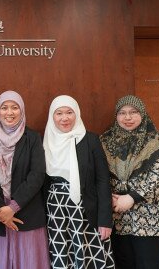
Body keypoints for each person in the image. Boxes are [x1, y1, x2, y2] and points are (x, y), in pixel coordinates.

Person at [100, 95, 159, 269]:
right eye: (122, 113)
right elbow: (99, 175)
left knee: (149, 264)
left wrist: (132, 197)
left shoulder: (158, 143)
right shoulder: (104, 141)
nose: (127, 117)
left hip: (151, 221)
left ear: (142, 114)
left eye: (133, 112)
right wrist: (106, 197)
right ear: (116, 116)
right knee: (122, 264)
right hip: (118, 218)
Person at [0, 91, 50, 268]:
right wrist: (1, 210)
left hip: (26, 212)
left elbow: (37, 174)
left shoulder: (32, 138)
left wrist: (13, 207)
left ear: (22, 110)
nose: (9, 112)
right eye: (4, 108)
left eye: (14, 107)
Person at [43, 95, 114, 269]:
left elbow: (103, 180)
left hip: (86, 209)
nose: (64, 118)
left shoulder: (90, 140)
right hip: (56, 210)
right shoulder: (45, 141)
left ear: (77, 114)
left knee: (88, 257)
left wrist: (105, 220)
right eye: (59, 113)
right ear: (52, 116)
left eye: (69, 112)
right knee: (62, 254)